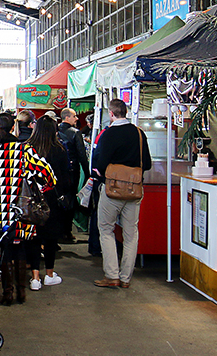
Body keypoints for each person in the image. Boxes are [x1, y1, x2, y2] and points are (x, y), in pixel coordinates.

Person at [0, 112, 52, 305]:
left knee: (3, 250)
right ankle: (21, 292)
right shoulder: (24, 150)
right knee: (21, 247)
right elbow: (48, 174)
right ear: (14, 127)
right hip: (21, 209)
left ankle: (7, 293)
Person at [91, 98, 152, 289]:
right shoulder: (139, 133)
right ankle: (126, 277)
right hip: (134, 191)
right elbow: (147, 164)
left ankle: (112, 275)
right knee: (131, 233)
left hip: (112, 190)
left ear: (111, 114)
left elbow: (100, 163)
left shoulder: (109, 134)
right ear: (125, 112)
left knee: (106, 230)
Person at [25, 117, 68, 290]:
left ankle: (35, 278)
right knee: (50, 238)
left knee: (34, 236)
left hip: (31, 199)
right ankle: (49, 274)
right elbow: (65, 179)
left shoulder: (27, 148)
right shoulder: (59, 149)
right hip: (51, 200)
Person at [58, 108, 90, 243]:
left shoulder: (55, 131)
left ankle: (59, 231)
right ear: (67, 118)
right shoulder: (75, 133)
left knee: (59, 199)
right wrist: (88, 173)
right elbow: (81, 155)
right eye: (74, 116)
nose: (77, 119)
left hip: (57, 170)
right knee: (70, 200)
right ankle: (67, 232)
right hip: (72, 171)